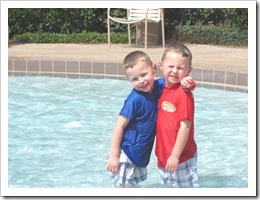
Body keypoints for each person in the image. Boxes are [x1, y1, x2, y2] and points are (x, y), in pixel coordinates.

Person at [107, 50, 195, 188]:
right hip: (127, 152)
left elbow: (172, 82)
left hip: (140, 154)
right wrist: (114, 155)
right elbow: (119, 125)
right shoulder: (134, 99)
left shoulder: (157, 87)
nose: (141, 81)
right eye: (135, 79)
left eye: (144, 75)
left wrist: (185, 80)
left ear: (154, 69)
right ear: (129, 80)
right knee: (121, 187)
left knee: (131, 186)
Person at [155, 43, 199, 188]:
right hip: (164, 156)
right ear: (161, 65)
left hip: (180, 157)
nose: (174, 71)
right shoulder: (162, 87)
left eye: (180, 68)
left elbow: (185, 127)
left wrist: (175, 155)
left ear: (188, 70)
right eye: (170, 66)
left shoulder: (183, 93)